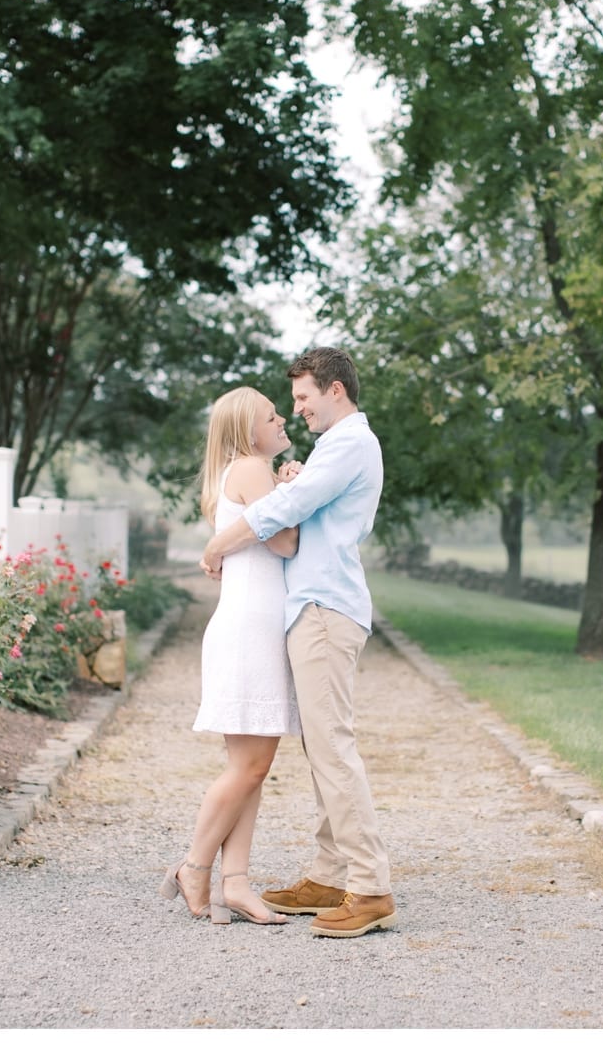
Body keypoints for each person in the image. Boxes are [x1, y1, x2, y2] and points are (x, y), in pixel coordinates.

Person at [199, 346, 395, 938]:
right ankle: (330, 873)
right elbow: (299, 501)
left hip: (325, 607)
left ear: (335, 390)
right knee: (322, 749)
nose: (297, 409)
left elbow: (289, 510)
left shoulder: (352, 442)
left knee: (332, 747)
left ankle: (370, 886)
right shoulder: (332, 448)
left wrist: (217, 545)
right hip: (314, 607)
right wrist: (295, 475)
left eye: (303, 397)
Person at [161, 386, 301, 926]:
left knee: (252, 768)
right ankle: (194, 867)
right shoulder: (249, 468)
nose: (283, 417)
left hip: (253, 626)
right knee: (249, 766)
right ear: (249, 431)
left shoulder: (250, 471)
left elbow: (271, 532)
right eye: (272, 415)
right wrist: (293, 484)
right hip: (249, 630)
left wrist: (285, 482)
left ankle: (236, 883)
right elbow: (285, 542)